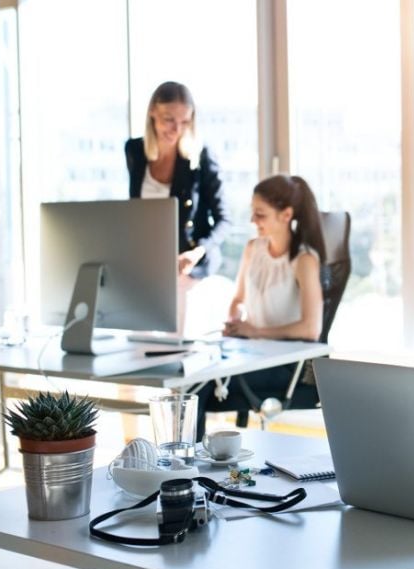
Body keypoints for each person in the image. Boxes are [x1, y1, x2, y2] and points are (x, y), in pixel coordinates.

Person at [196, 174, 327, 437]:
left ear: (286, 214)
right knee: (191, 377)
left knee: (198, 387)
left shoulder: (303, 260)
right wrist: (234, 322)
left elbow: (311, 329)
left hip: (286, 364)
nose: (252, 221)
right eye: (252, 213)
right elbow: (237, 299)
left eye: (260, 214)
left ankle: (183, 466)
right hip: (250, 354)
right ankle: (183, 463)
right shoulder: (253, 249)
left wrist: (255, 332)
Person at [125, 81, 229, 334]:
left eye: (185, 122)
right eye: (168, 119)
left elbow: (223, 219)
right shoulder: (135, 151)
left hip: (189, 262)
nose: (176, 129)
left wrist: (197, 253)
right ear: (152, 113)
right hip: (149, 260)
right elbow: (136, 211)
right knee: (139, 338)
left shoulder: (200, 157)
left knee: (177, 340)